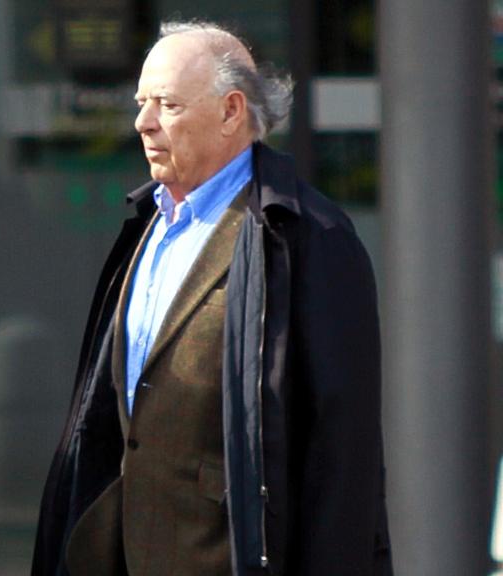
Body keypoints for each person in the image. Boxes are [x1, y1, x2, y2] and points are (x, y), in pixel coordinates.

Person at [32, 20, 392, 576]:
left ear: (231, 112)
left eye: (167, 104)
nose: (142, 122)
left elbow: (342, 455)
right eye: (141, 102)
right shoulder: (146, 224)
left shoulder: (307, 237)